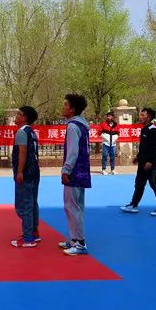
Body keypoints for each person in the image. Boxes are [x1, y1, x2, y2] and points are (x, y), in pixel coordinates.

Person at [58, 94, 91, 256]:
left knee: (71, 206)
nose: (63, 107)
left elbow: (72, 151)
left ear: (72, 109)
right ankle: (74, 238)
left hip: (74, 171)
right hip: (82, 170)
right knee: (77, 206)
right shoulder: (82, 124)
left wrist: (66, 170)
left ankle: (80, 242)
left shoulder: (72, 126)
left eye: (66, 105)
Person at [120, 108, 156, 216]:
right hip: (142, 163)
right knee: (139, 184)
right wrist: (138, 157)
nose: (140, 117)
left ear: (149, 117)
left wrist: (150, 161)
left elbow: (155, 148)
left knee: (155, 184)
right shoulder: (144, 129)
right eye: (140, 115)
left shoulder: (153, 130)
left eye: (142, 115)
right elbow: (144, 147)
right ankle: (134, 204)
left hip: (151, 164)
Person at [11, 106, 41, 248]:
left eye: (19, 114)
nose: (16, 116)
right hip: (34, 171)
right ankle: (34, 232)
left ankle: (28, 237)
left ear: (25, 118)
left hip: (26, 173)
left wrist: (19, 171)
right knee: (33, 203)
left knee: (24, 205)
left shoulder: (21, 132)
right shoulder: (32, 132)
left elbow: (22, 153)